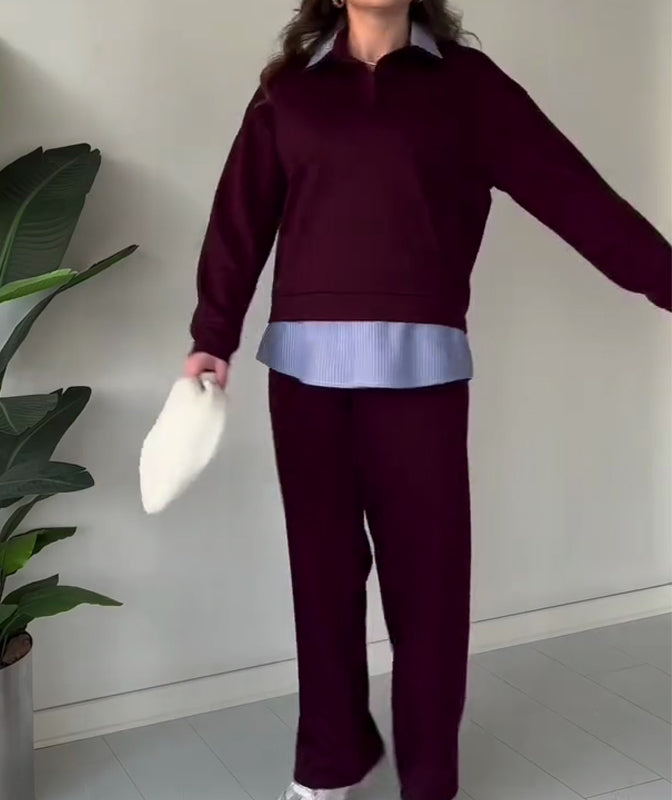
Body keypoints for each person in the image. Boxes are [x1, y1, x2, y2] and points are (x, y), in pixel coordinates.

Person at [184, 1, 671, 798]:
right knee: (323, 583)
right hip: (304, 381)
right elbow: (239, 221)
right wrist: (213, 332)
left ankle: (429, 780)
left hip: (423, 377)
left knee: (431, 593)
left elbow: (576, 196)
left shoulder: (471, 88)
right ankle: (328, 765)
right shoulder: (287, 91)